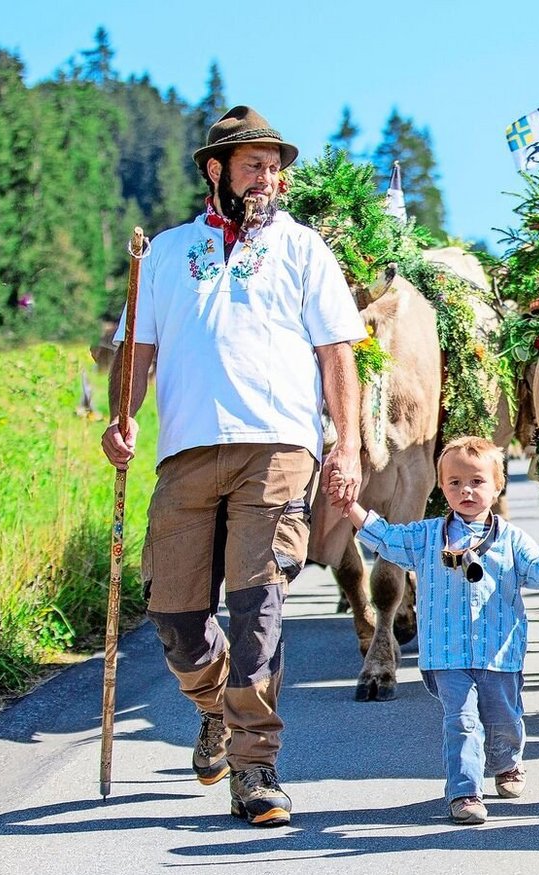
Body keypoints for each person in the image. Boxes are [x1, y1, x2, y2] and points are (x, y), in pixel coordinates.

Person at [101, 105, 366, 827]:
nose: (269, 179)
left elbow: (337, 352)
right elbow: (139, 350)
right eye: (255, 165)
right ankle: (217, 706)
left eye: (275, 167)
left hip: (278, 447)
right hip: (184, 451)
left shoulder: (304, 249)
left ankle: (255, 767)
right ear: (215, 170)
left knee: (257, 610)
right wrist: (120, 416)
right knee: (176, 617)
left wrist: (348, 442)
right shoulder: (162, 254)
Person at [335, 436, 539, 825]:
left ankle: (508, 763)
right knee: (462, 721)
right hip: (446, 654)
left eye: (477, 482)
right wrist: (351, 508)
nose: (466, 490)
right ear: (441, 486)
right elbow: (387, 537)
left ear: (498, 486)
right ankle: (464, 792)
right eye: (455, 483)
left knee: (504, 720)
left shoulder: (511, 539)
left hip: (499, 653)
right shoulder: (428, 536)